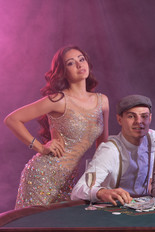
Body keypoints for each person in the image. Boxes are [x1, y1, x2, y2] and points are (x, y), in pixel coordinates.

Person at [4, 45, 109, 209]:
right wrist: (40, 147)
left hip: (68, 181)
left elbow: (103, 145)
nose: (80, 65)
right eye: (71, 63)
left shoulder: (102, 101)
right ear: (63, 72)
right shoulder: (59, 100)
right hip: (42, 176)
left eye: (82, 59)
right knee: (35, 227)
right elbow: (12, 120)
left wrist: (99, 179)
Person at [71, 95, 155, 206]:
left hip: (146, 207)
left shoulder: (153, 138)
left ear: (150, 118)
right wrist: (102, 192)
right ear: (119, 119)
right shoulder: (109, 150)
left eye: (144, 116)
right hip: (116, 209)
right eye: (131, 116)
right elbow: (78, 190)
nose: (139, 121)